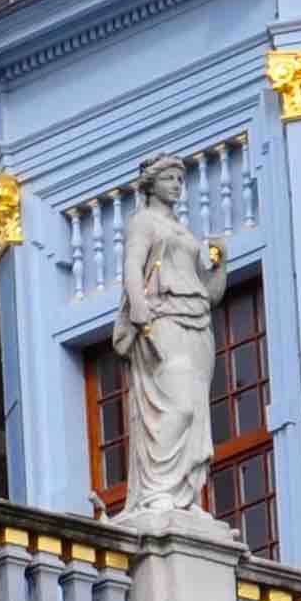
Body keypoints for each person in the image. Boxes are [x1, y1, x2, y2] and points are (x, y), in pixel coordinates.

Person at [112, 155, 218, 529]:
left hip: (196, 319)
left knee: (196, 408)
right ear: (151, 183)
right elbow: (131, 266)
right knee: (177, 404)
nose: (177, 185)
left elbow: (211, 292)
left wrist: (220, 267)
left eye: (180, 179)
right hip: (162, 316)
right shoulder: (143, 221)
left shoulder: (183, 231)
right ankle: (158, 489)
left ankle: (184, 495)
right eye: (170, 178)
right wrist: (139, 308)